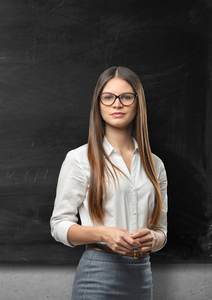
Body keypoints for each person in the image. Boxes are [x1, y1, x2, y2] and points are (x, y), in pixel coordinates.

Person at [50, 66, 168, 299]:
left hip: (142, 275)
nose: (117, 104)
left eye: (126, 97)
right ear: (99, 104)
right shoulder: (79, 159)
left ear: (137, 103)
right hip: (97, 274)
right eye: (108, 97)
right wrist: (103, 234)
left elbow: (162, 231)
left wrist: (153, 239)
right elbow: (59, 225)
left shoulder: (155, 165)